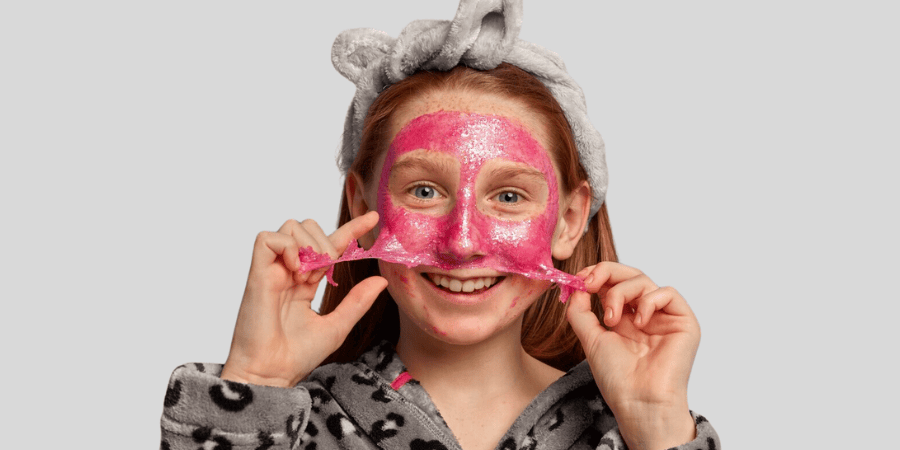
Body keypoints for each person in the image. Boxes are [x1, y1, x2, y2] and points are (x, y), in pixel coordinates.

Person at [160, 2, 719, 449]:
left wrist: (657, 427)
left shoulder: (628, 432)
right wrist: (254, 381)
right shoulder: (284, 422)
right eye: (424, 191)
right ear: (362, 207)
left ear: (569, 220)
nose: (464, 242)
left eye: (507, 195)